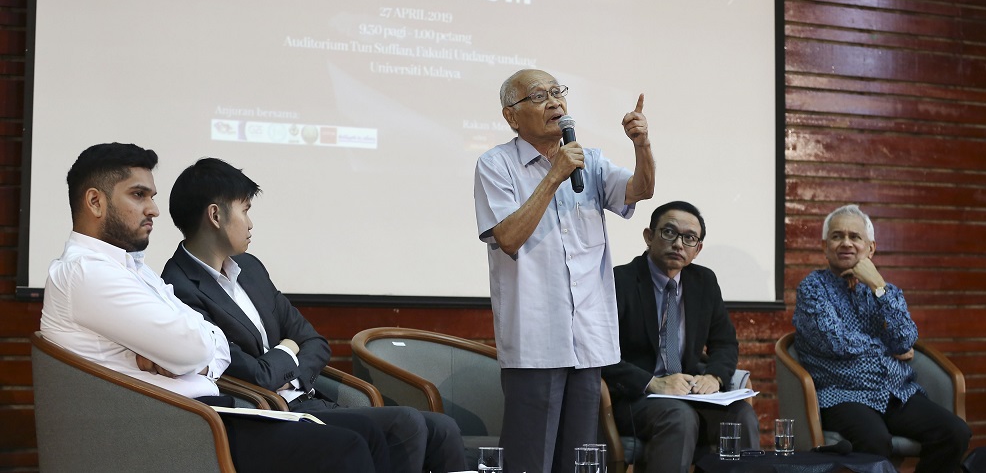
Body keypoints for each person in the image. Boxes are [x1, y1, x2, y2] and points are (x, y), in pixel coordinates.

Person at [40, 143, 381, 473]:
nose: (154, 209)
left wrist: (189, 357)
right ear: (95, 202)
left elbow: (209, 346)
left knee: (373, 436)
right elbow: (194, 348)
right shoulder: (87, 272)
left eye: (152, 197)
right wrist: (194, 354)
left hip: (203, 415)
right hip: (171, 430)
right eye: (138, 195)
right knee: (348, 446)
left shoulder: (133, 269)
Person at [161, 157, 466, 473]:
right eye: (245, 210)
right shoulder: (179, 286)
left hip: (308, 396)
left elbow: (314, 341)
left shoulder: (250, 269)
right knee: (406, 422)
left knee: (443, 429)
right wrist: (288, 349)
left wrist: (289, 368)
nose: (250, 224)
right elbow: (252, 374)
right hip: (267, 413)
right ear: (215, 215)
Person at [473, 69, 655, 473]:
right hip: (536, 339)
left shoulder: (589, 161)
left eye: (558, 92)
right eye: (540, 96)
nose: (555, 102)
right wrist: (554, 175)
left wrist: (642, 146)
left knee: (578, 460)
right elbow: (508, 236)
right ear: (511, 116)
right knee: (529, 460)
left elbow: (640, 190)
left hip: (588, 338)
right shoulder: (495, 165)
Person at [793, 204, 971, 472]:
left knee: (955, 433)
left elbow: (905, 338)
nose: (846, 243)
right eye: (837, 236)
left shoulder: (886, 290)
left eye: (855, 237)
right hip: (843, 394)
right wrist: (885, 349)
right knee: (875, 442)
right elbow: (834, 341)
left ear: (871, 248)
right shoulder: (812, 288)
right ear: (824, 247)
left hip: (895, 392)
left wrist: (878, 287)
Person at [602, 201, 760, 472]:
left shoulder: (704, 282)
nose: (678, 244)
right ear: (648, 236)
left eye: (689, 238)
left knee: (741, 415)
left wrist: (714, 376)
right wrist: (652, 383)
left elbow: (724, 343)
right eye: (668, 232)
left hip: (689, 393)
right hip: (636, 398)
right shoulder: (620, 281)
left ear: (697, 249)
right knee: (679, 417)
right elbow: (600, 354)